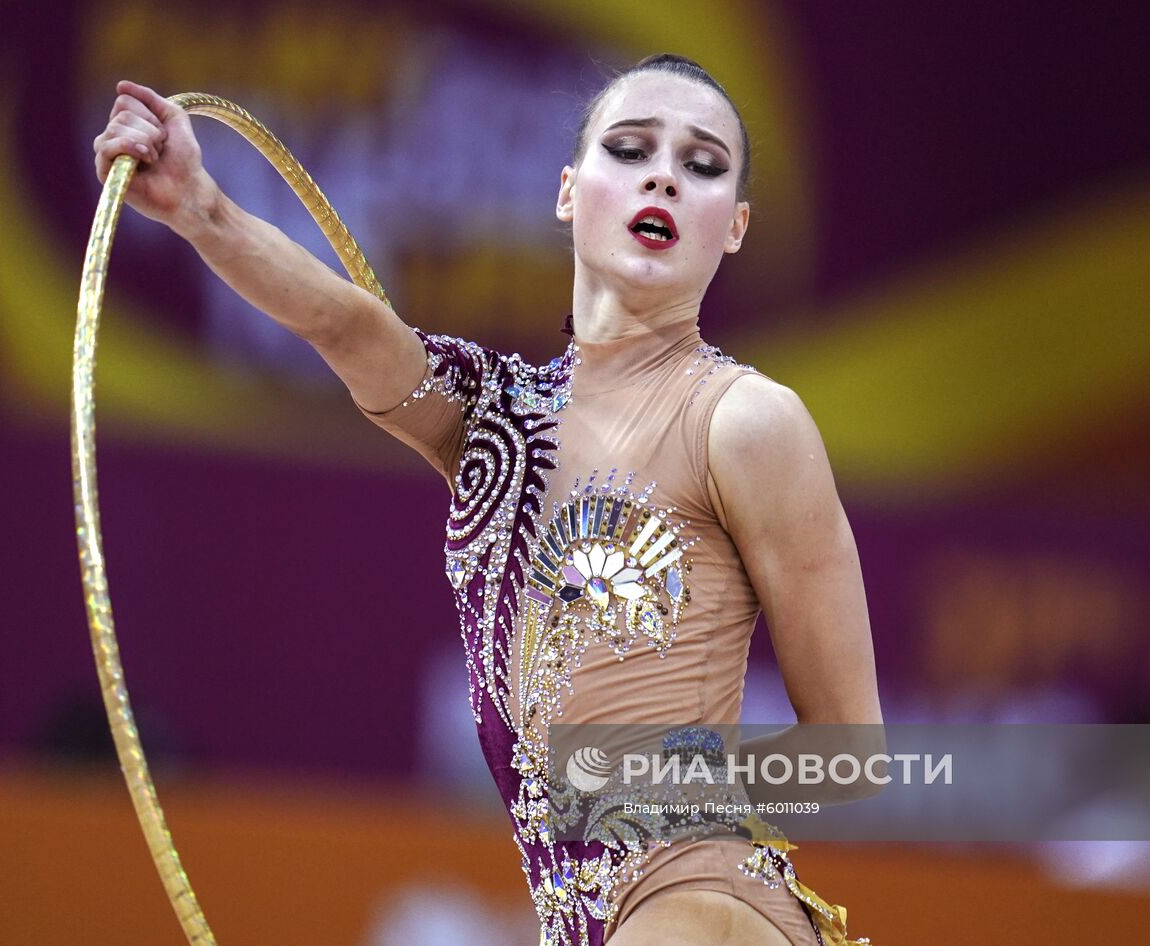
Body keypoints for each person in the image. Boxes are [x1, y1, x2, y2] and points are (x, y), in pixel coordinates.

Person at [95, 52, 881, 946]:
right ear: (566, 191)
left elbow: (849, 752)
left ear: (733, 226)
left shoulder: (745, 423)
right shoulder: (494, 419)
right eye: (629, 149)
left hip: (701, 907)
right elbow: (348, 324)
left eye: (702, 165)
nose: (664, 171)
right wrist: (201, 208)